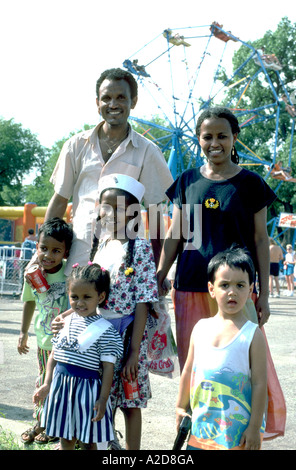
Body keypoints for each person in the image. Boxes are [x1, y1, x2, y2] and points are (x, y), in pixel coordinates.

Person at [157, 106, 286, 438]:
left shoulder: (251, 184)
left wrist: (264, 296)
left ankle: (243, 433)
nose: (215, 142)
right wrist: (160, 274)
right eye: (207, 136)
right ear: (199, 139)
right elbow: (175, 233)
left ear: (234, 138)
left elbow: (260, 239)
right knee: (198, 365)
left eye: (222, 136)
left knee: (241, 365)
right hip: (190, 286)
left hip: (237, 290)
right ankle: (196, 433)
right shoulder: (186, 181)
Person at [52, 174, 159, 450]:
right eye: (106, 207)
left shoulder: (141, 248)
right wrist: (67, 317)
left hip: (127, 336)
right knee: (101, 396)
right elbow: (90, 295)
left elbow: (142, 302)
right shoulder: (101, 247)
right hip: (96, 337)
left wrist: (134, 351)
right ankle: (103, 446)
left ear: (134, 212)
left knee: (130, 401)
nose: (112, 214)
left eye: (121, 208)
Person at [44, 67, 173, 274]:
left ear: (134, 101)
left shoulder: (148, 151)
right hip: (79, 262)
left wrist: (158, 271)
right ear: (97, 103)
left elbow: (156, 215)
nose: (113, 104)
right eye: (106, 98)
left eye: (121, 97)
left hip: (124, 268)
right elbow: (59, 201)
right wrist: (39, 256)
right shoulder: (76, 146)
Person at [176, 247, 267, 450]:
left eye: (240, 285)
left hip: (237, 435)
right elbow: (188, 371)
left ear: (250, 289)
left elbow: (261, 384)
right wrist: (180, 407)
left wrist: (253, 427)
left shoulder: (252, 335)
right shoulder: (200, 328)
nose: (232, 291)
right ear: (211, 289)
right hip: (201, 431)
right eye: (224, 285)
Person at [33, 263, 123, 450]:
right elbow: (54, 356)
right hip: (61, 388)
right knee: (65, 437)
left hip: (87, 392)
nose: (79, 303)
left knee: (88, 440)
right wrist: (47, 383)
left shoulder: (106, 331)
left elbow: (108, 368)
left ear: (101, 296)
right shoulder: (64, 322)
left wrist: (103, 398)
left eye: (86, 297)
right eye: (74, 297)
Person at [18, 218, 73, 444]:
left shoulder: (71, 275)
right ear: (37, 247)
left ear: (66, 252)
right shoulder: (33, 277)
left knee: (61, 385)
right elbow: (29, 303)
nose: (48, 255)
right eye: (43, 248)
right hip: (44, 343)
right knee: (43, 381)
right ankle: (41, 423)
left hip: (68, 344)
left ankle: (54, 426)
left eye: (56, 250)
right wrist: (23, 332)